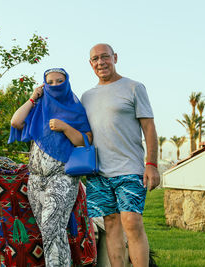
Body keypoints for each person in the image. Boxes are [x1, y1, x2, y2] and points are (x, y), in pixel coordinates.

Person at [81, 44, 160, 267]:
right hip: (98, 171)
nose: (100, 62)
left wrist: (151, 164)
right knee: (110, 223)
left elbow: (149, 128)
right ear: (90, 64)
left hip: (129, 168)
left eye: (105, 57)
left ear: (114, 58)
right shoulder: (86, 97)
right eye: (95, 59)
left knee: (132, 221)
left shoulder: (134, 87)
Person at [8, 68, 92, 267]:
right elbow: (16, 122)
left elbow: (86, 140)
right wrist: (31, 99)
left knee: (51, 227)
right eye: (50, 82)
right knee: (51, 232)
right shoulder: (38, 108)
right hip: (36, 179)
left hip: (62, 176)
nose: (54, 85)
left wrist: (65, 127)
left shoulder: (74, 108)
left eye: (59, 81)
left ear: (67, 82)